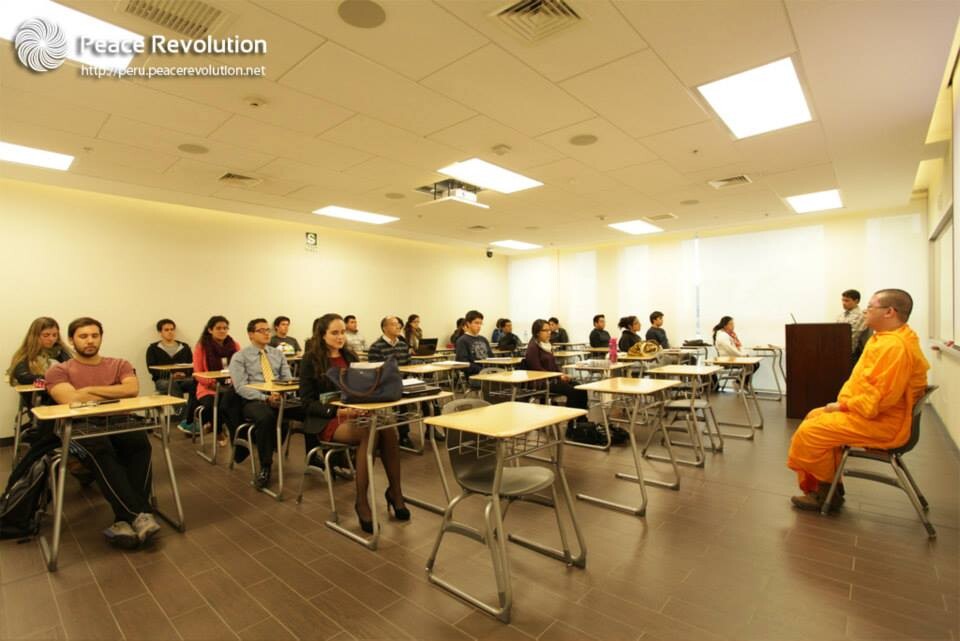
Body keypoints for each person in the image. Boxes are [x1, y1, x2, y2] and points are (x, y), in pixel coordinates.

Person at [787, 289, 929, 511]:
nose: (865, 311)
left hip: (883, 423)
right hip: (873, 414)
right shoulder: (890, 339)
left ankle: (824, 494)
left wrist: (843, 405)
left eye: (870, 307)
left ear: (889, 312)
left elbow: (880, 399)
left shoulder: (894, 347)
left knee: (811, 432)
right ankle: (832, 487)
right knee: (814, 415)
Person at [45, 317, 160, 549]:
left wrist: (87, 390)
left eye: (94, 335)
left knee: (140, 443)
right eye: (83, 336)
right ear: (71, 339)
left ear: (101, 337)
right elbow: (69, 399)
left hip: (119, 419)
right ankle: (139, 514)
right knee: (101, 450)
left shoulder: (119, 364)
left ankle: (123, 521)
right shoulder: (59, 370)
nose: (90, 341)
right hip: (78, 426)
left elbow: (132, 389)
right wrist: (111, 391)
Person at [300, 313, 409, 533]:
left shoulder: (349, 355)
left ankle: (395, 492)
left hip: (354, 415)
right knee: (369, 432)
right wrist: (339, 409)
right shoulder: (310, 360)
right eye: (335, 333)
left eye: (342, 332)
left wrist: (362, 403)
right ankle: (361, 502)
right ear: (322, 335)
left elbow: (358, 389)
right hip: (328, 419)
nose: (341, 337)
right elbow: (306, 402)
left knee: (387, 429)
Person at [229, 318, 294, 489]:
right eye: (262, 330)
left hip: (278, 396)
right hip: (254, 399)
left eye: (268, 330)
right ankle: (266, 465)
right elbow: (241, 387)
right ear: (251, 334)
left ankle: (316, 458)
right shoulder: (239, 357)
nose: (267, 333)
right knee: (266, 417)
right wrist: (265, 398)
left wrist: (283, 393)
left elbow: (287, 378)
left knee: (308, 410)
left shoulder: (277, 353)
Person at [525, 319, 590, 430]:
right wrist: (557, 376)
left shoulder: (546, 345)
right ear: (537, 332)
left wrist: (561, 374)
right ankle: (571, 423)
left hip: (552, 379)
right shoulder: (533, 348)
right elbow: (537, 369)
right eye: (545, 330)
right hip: (541, 382)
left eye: (549, 330)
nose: (549, 333)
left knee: (580, 387)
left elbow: (553, 366)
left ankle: (581, 419)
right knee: (572, 391)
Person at [367, 316, 414, 448]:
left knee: (427, 395)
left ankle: (430, 431)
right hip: (385, 384)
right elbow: (375, 370)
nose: (398, 326)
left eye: (399, 324)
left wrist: (407, 378)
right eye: (394, 324)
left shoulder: (403, 345)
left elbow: (408, 365)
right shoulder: (376, 347)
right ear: (384, 328)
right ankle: (404, 435)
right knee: (399, 398)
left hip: (403, 381)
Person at [191, 315, 240, 442]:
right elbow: (198, 372)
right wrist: (213, 384)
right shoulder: (201, 347)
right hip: (208, 388)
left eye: (225, 328)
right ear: (210, 330)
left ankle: (228, 430)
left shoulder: (234, 345)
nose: (222, 331)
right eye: (218, 328)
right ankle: (218, 431)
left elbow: (240, 368)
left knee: (232, 403)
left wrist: (233, 384)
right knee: (212, 404)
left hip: (231, 386)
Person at [145, 319, 195, 423]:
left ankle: (191, 414)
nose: (170, 332)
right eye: (166, 330)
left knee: (196, 383)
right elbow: (151, 369)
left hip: (184, 379)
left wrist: (184, 373)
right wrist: (172, 375)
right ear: (160, 332)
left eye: (172, 329)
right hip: (163, 381)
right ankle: (186, 419)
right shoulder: (153, 348)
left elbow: (192, 365)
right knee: (171, 384)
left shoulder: (184, 347)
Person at [7, 316, 71, 388]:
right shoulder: (25, 355)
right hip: (36, 397)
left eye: (54, 335)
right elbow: (23, 377)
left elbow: (72, 372)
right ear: (35, 336)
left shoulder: (61, 351)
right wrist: (53, 378)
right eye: (46, 335)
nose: (51, 339)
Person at [455, 310, 492, 381]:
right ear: (468, 323)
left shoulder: (483, 339)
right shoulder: (462, 340)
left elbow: (491, 357)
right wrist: (482, 370)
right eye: (476, 323)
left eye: (480, 323)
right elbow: (462, 362)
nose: (479, 326)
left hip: (489, 373)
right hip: (474, 376)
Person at [836, 289, 867, 354]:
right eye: (843, 300)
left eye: (847, 300)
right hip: (840, 350)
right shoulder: (840, 316)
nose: (843, 303)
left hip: (853, 353)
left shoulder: (861, 316)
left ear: (856, 301)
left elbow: (853, 337)